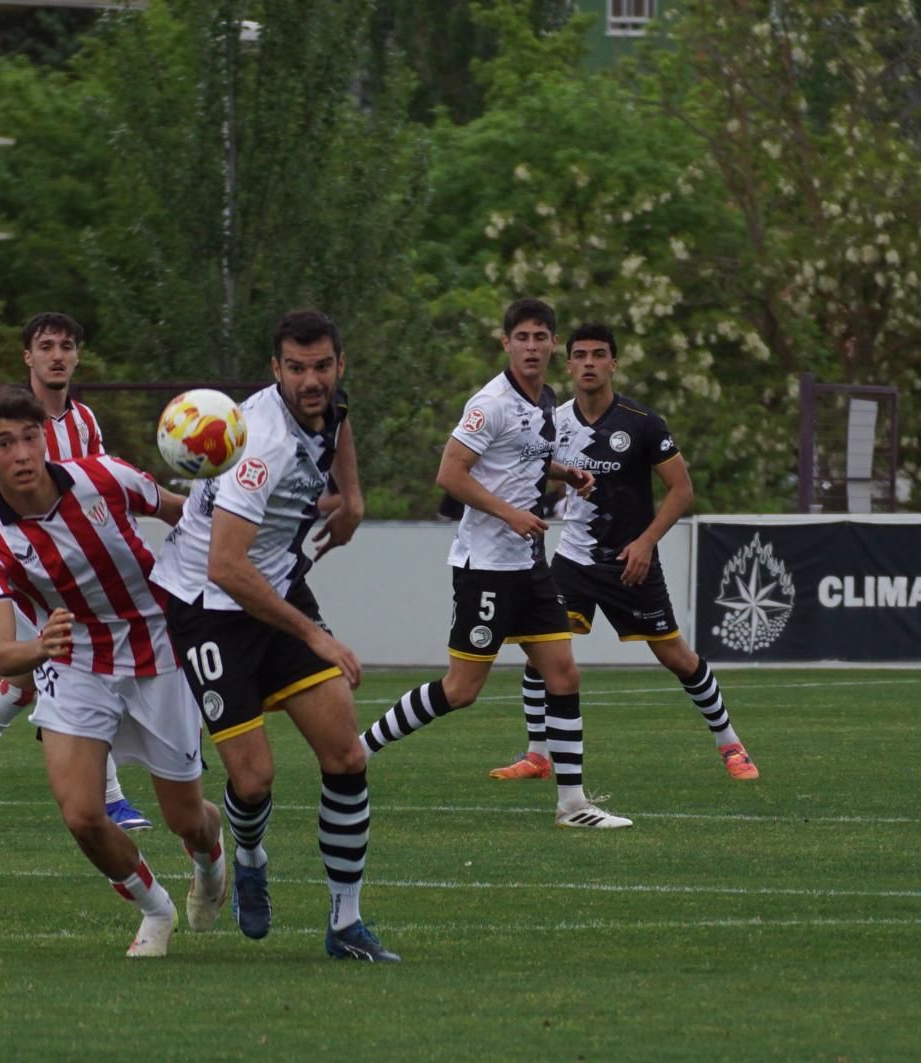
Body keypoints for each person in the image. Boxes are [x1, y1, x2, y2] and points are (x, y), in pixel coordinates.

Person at [152, 310, 396, 963]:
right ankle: (251, 857)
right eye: (296, 368)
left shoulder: (329, 404)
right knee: (254, 778)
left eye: (322, 366)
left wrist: (353, 496)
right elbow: (225, 566)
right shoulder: (259, 446)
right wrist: (316, 636)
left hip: (276, 583)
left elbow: (338, 426)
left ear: (339, 364)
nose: (311, 380)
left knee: (345, 753)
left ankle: (346, 924)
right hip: (209, 606)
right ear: (275, 369)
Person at [0, 386, 226, 957]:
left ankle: (211, 859)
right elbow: (3, 654)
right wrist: (41, 645)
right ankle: (156, 912)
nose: (23, 454)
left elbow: (180, 511)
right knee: (82, 814)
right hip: (75, 660)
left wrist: (232, 518)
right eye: (5, 444)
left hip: (158, 648)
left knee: (186, 818)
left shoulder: (105, 477)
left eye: (31, 437)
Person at [358, 298, 633, 829]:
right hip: (485, 565)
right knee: (461, 691)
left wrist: (565, 473)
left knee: (563, 673)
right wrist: (510, 514)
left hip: (527, 565)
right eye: (522, 337)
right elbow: (451, 474)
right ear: (505, 343)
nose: (532, 346)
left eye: (541, 337)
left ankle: (572, 805)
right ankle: (360, 749)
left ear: (554, 345)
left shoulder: (544, 399)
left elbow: (518, 456)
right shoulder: (490, 403)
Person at [489, 323, 757, 782]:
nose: (589, 363)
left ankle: (731, 744)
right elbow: (533, 469)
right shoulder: (554, 420)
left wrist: (647, 542)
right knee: (541, 652)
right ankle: (537, 755)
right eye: (580, 355)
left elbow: (681, 489)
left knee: (676, 656)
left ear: (613, 363)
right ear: (568, 363)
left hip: (630, 561)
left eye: (598, 354)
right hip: (573, 559)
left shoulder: (643, 422)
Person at [0, 313, 152, 829]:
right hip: (26, 577)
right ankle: (111, 799)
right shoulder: (8, 423)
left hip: (76, 577)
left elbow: (100, 492)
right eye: (46, 346)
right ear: (28, 356)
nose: (57, 355)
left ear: (77, 356)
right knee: (77, 671)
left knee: (27, 682)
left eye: (66, 346)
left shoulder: (86, 422)